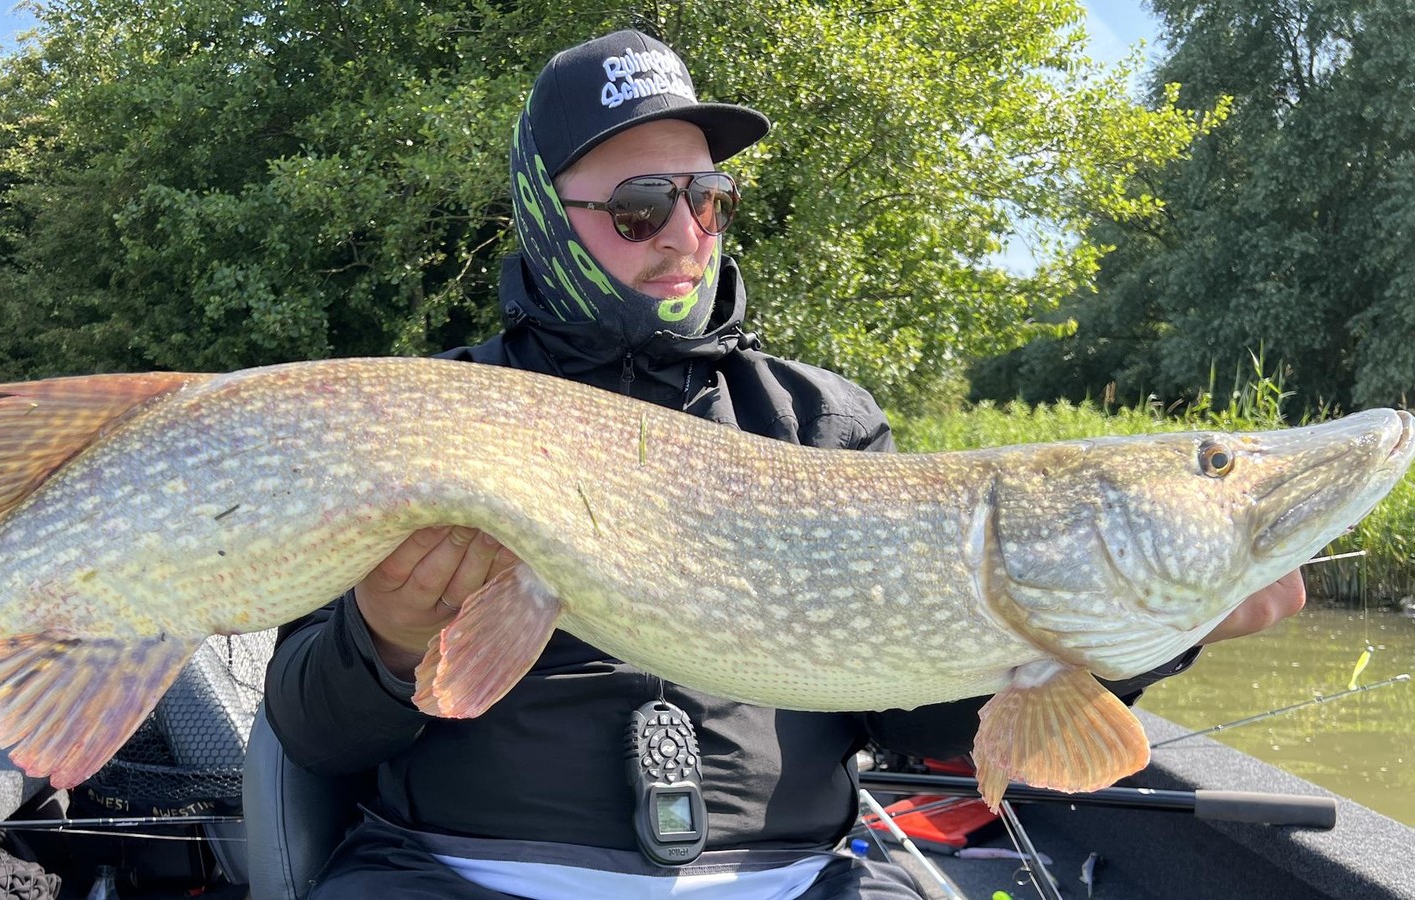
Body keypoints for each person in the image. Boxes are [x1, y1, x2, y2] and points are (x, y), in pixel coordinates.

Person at [262, 28, 1306, 899]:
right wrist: (386, 643)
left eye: (704, 198)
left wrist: (1143, 636)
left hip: (792, 880)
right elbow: (309, 730)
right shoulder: (433, 412)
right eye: (637, 208)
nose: (682, 232)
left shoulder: (825, 422)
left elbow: (938, 720)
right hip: (462, 876)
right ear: (549, 217)